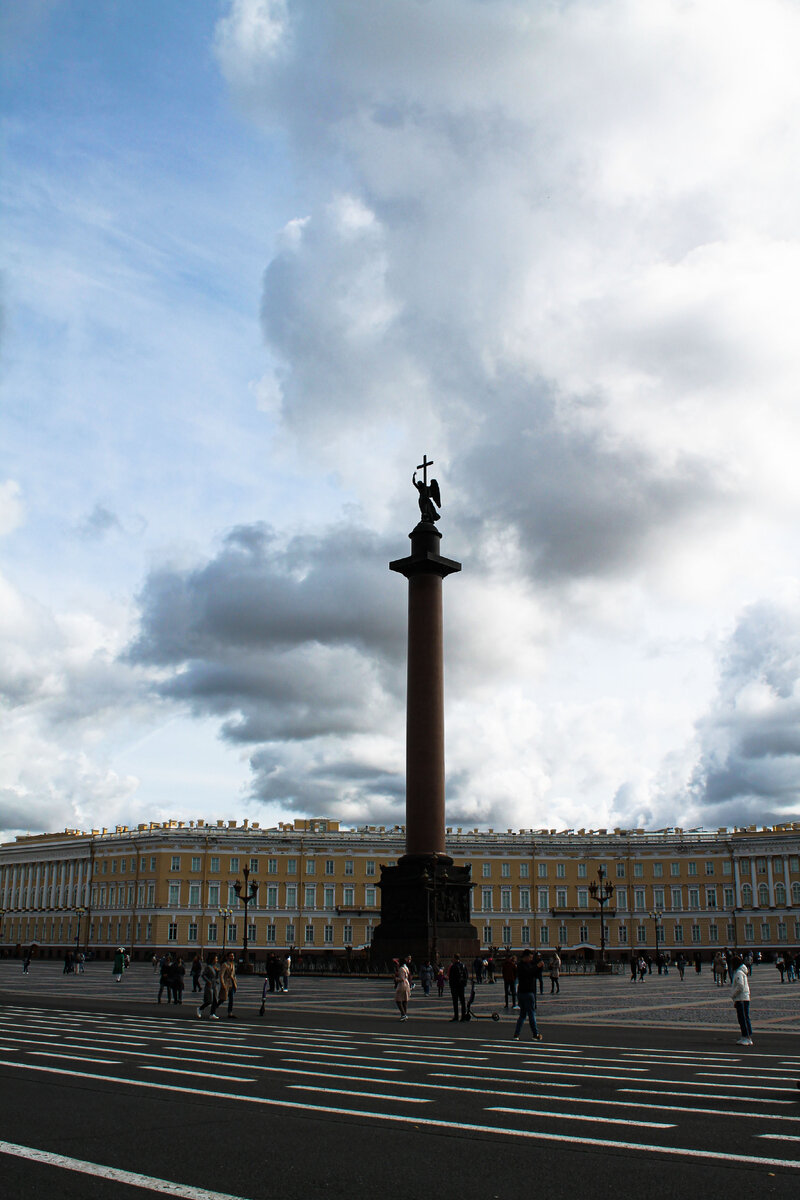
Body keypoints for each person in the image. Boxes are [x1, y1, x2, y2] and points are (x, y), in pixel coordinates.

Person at [513, 949, 543, 1042]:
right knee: (531, 1014)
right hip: (527, 992)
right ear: (525, 957)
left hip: (523, 992)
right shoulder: (521, 966)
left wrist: (539, 968)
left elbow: (535, 973)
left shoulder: (527, 964)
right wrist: (537, 966)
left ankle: (516, 1034)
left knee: (522, 1015)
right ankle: (535, 1034)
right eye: (530, 957)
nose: (531, 959)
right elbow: (528, 972)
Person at [730, 955, 753, 1045]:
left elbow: (740, 986)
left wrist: (733, 995)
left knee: (743, 1018)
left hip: (741, 998)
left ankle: (746, 1037)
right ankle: (747, 1036)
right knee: (745, 1018)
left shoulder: (739, 973)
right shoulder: (741, 972)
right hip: (744, 998)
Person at [197, 954, 220, 1019]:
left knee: (215, 1000)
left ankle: (212, 1014)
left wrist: (217, 972)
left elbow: (217, 977)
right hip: (209, 985)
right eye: (216, 959)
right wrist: (208, 981)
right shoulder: (208, 967)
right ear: (212, 960)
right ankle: (200, 1008)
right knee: (209, 1000)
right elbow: (203, 975)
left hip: (215, 985)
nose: (217, 960)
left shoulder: (215, 967)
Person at [448, 954, 469, 1021]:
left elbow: (451, 977)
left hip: (455, 986)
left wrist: (451, 985)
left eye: (453, 958)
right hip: (461, 985)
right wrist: (464, 983)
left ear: (455, 958)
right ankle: (463, 1016)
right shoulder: (463, 965)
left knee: (455, 1001)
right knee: (462, 1001)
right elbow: (466, 975)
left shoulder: (453, 966)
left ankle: (456, 1016)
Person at [221, 952, 238, 1019]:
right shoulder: (225, 965)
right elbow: (221, 975)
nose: (232, 957)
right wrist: (223, 984)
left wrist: (235, 984)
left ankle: (230, 1013)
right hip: (226, 984)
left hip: (232, 984)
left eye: (233, 956)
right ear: (227, 957)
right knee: (222, 999)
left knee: (231, 999)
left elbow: (234, 975)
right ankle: (214, 1009)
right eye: (231, 956)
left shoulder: (233, 965)